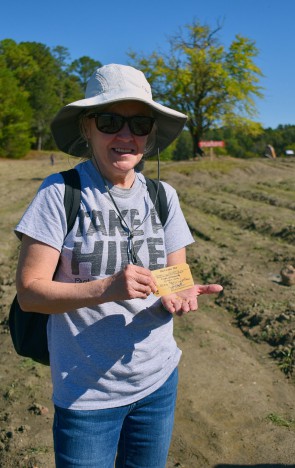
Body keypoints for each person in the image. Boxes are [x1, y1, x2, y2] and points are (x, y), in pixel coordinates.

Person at [15, 64, 223, 468]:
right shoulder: (60, 193)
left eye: (139, 123)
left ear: (150, 133)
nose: (126, 136)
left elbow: (174, 274)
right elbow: (29, 294)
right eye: (111, 121)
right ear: (87, 127)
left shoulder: (164, 196)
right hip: (86, 393)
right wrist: (107, 288)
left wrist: (178, 294)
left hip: (158, 381)